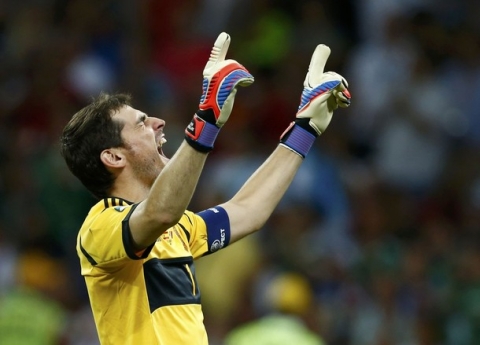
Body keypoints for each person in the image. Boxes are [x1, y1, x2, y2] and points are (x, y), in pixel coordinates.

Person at [60, 32, 351, 345]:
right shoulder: (100, 228)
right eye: (141, 123)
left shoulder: (180, 228)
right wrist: (207, 118)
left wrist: (304, 129)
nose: (158, 122)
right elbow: (160, 211)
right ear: (114, 156)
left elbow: (247, 210)